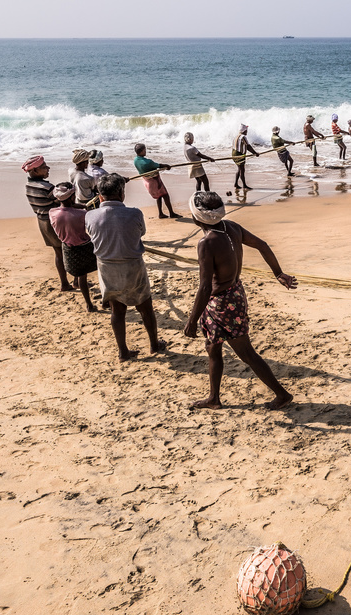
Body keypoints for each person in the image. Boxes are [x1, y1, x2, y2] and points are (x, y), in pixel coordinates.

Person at [183, 191, 297, 410]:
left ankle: (282, 395)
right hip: (234, 293)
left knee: (246, 352)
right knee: (212, 347)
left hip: (222, 303)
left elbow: (206, 286)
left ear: (196, 218)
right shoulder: (231, 227)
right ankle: (214, 398)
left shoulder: (206, 243)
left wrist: (192, 319)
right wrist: (278, 273)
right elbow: (262, 244)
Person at [85, 173, 167, 361]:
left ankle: (123, 351)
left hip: (107, 268)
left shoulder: (90, 215)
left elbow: (91, 234)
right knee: (145, 306)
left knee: (117, 310)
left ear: (99, 197)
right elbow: (141, 232)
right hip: (132, 266)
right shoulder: (134, 213)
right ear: (122, 194)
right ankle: (154, 344)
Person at [22, 155, 73, 292]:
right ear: (35, 171)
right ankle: (76, 281)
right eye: (44, 167)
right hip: (53, 222)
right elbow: (62, 202)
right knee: (70, 250)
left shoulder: (28, 185)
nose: (48, 168)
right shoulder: (47, 187)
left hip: (41, 221)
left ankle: (64, 283)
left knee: (58, 252)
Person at [49, 182, 98, 312]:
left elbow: (66, 209)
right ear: (72, 197)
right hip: (83, 247)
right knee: (83, 277)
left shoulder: (52, 213)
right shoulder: (81, 214)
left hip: (67, 247)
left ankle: (87, 302)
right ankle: (89, 304)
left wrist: (78, 206)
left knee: (79, 273)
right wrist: (84, 208)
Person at [133, 143, 179, 218]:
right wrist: (166, 166)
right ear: (141, 151)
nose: (145, 151)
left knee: (159, 196)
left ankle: (160, 213)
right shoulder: (147, 162)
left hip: (147, 182)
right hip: (154, 181)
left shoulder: (135, 160)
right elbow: (158, 165)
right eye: (144, 150)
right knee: (165, 195)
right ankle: (171, 213)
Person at [232, 124, 260, 190]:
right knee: (242, 170)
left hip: (234, 153)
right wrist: (255, 153)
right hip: (239, 154)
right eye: (246, 130)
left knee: (239, 168)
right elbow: (248, 146)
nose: (247, 132)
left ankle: (236, 184)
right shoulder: (243, 137)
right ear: (244, 131)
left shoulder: (236, 136)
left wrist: (254, 153)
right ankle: (244, 185)